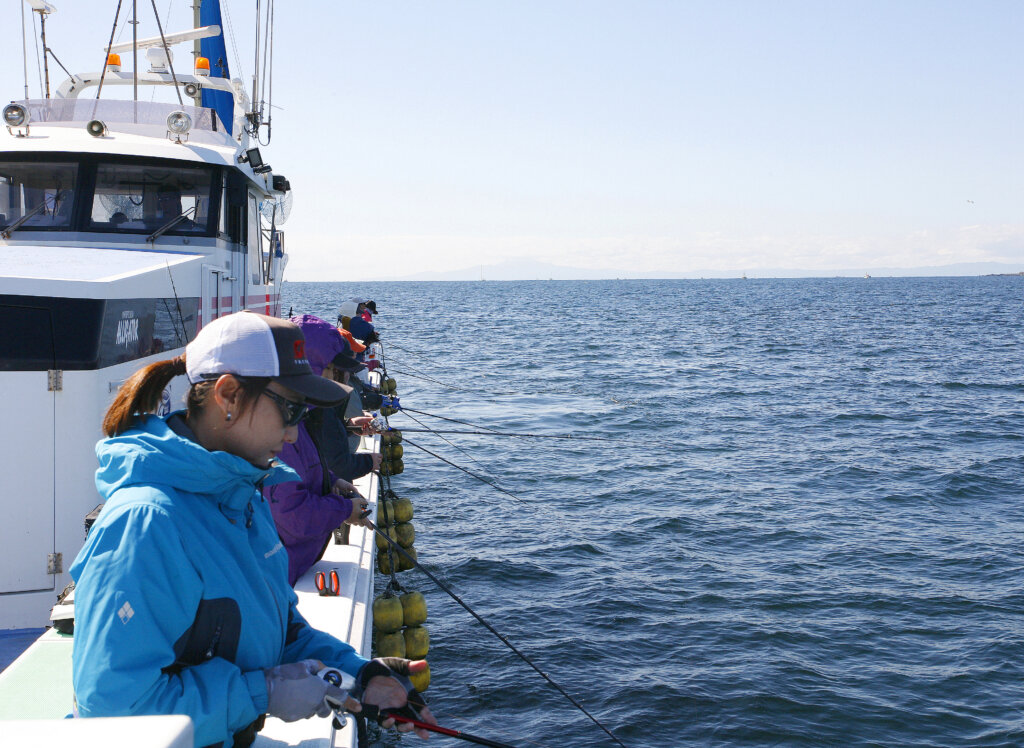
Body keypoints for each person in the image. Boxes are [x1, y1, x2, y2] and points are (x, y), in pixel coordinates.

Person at [70, 311, 435, 747]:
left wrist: (361, 674)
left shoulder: (245, 495)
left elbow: (281, 630)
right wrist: (261, 693)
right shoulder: (146, 524)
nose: (296, 432)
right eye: (290, 409)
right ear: (228, 396)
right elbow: (113, 714)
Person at [266, 314, 380, 585]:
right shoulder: (277, 429)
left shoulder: (300, 418)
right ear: (312, 367)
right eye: (332, 370)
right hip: (275, 575)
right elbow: (292, 516)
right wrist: (343, 510)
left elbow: (304, 470)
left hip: (290, 572)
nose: (338, 379)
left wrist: (331, 482)